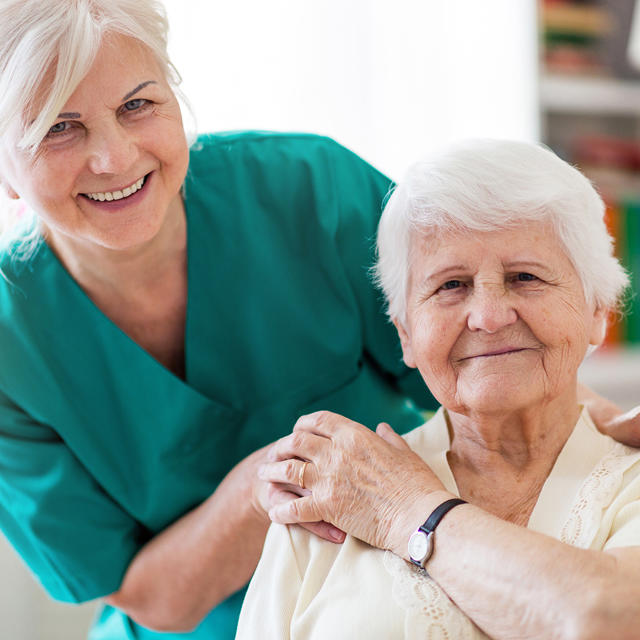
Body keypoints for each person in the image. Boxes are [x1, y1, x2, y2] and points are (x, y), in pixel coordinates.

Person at [0, 2, 636, 639]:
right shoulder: (12, 341)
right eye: (59, 127)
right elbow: (152, 599)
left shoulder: (310, 193)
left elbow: (479, 335)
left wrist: (603, 421)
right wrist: (270, 480)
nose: (113, 156)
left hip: (401, 566)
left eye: (138, 105)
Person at [239, 140, 640, 640]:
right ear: (405, 334)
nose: (489, 317)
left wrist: (408, 510)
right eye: (451, 285)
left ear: (598, 312)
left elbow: (610, 621)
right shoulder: (334, 491)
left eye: (525, 277)